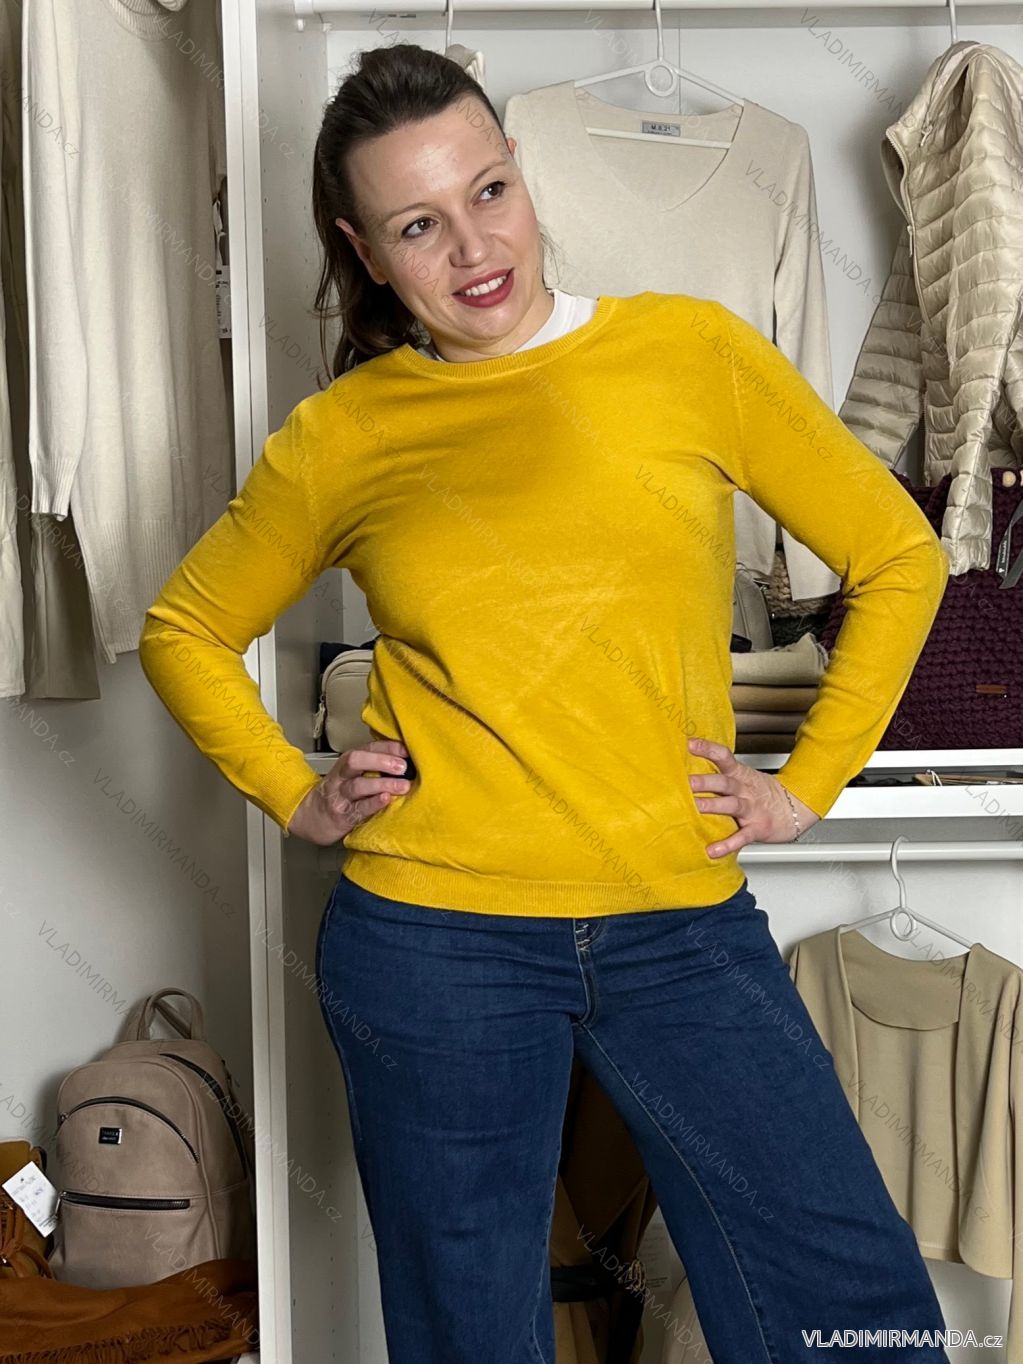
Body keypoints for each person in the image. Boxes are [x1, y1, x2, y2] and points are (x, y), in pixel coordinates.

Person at [139, 42, 954, 1364]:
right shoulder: (342, 437)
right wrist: (294, 789)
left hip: (676, 924)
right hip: (433, 946)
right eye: (418, 224)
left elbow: (899, 555)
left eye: (489, 192)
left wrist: (806, 783)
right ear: (361, 249)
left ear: (522, 175)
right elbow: (183, 629)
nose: (474, 247)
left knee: (854, 1313)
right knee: (475, 1336)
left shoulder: (689, 352)